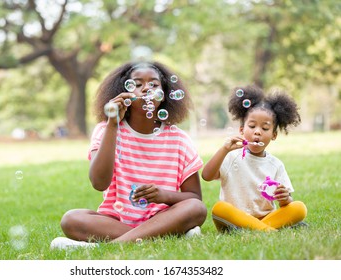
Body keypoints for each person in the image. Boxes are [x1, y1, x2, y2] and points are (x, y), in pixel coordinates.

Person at [51, 61, 207, 249]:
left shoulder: (179, 139)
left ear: (164, 93)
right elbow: (99, 183)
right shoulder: (106, 130)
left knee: (196, 209)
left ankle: (106, 247)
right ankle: (164, 236)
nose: (146, 89)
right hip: (115, 222)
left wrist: (162, 195)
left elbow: (194, 198)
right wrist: (112, 124)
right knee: (71, 219)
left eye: (154, 84)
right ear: (123, 93)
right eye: (137, 84)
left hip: (163, 218)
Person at [201, 85, 307, 232]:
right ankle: (269, 230)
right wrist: (224, 149)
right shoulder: (231, 156)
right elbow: (206, 176)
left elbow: (286, 203)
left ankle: (258, 229)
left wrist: (285, 199)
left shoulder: (276, 165)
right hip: (233, 218)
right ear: (241, 130)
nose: (257, 132)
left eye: (265, 128)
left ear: (274, 135)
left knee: (299, 208)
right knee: (219, 208)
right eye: (252, 126)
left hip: (266, 217)